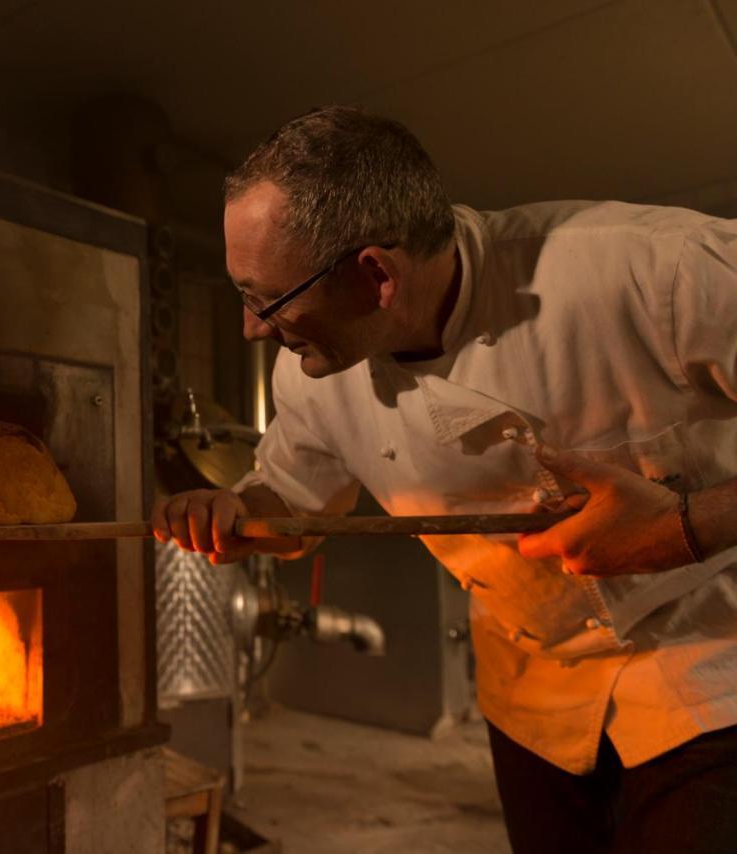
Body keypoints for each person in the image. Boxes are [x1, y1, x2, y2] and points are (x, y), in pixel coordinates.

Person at [151, 105, 737, 852]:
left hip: (712, 659)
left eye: (265, 298)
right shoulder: (310, 373)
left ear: (376, 276)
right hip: (533, 692)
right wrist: (236, 512)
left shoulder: (653, 270)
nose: (253, 328)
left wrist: (686, 528)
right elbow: (292, 506)